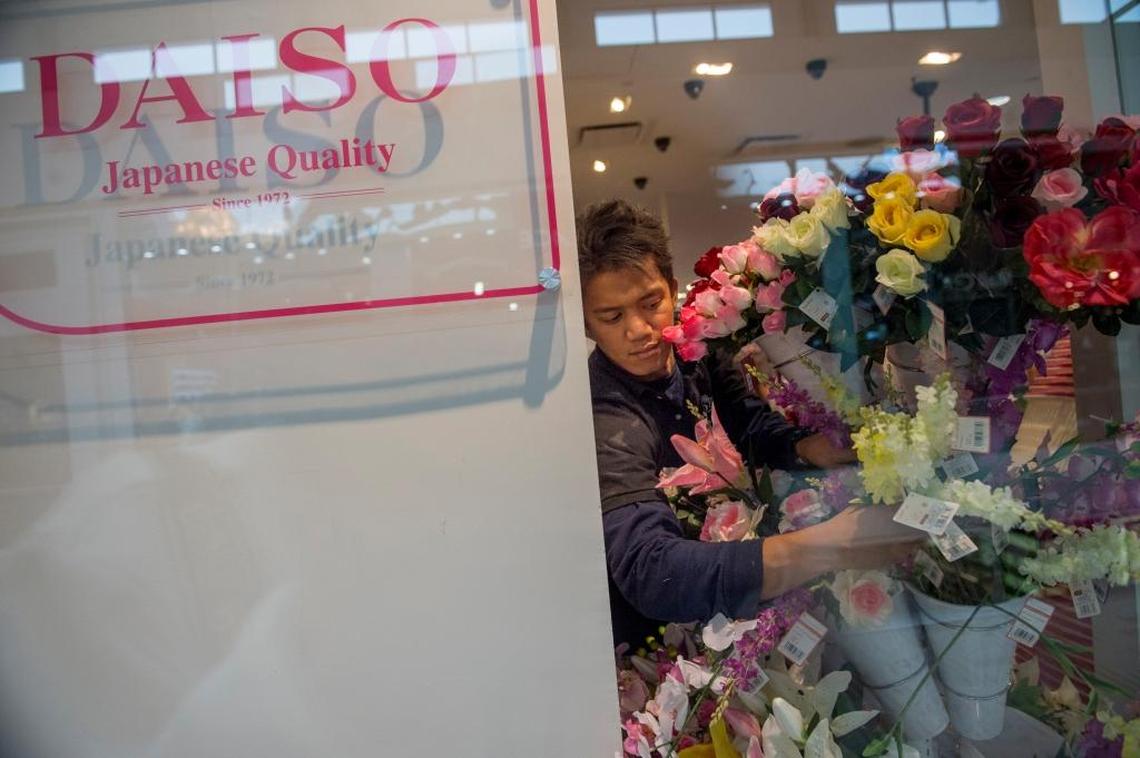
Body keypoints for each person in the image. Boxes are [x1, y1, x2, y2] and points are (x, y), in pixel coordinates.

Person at [577, 199, 923, 647]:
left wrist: (813, 447)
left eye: (651, 303)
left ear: (673, 287)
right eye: (612, 317)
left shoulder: (694, 351)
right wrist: (829, 546)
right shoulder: (606, 416)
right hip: (663, 642)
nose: (640, 329)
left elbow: (751, 428)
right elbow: (653, 573)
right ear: (587, 324)